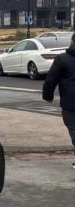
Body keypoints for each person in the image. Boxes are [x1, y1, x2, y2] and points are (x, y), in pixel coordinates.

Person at [42, 33, 75, 167]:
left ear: (72, 41)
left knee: (74, 129)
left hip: (71, 104)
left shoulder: (62, 59)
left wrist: (48, 96)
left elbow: (50, 81)